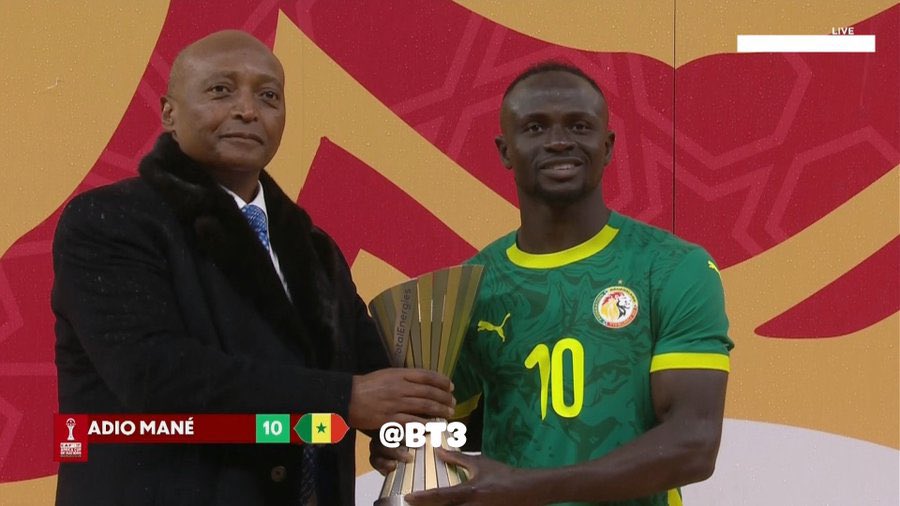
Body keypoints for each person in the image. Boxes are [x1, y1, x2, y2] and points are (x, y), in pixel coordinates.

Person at [52, 30, 454, 506]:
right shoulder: (110, 220)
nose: (247, 110)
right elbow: (154, 374)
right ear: (169, 113)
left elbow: (370, 374)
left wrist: (402, 429)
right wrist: (344, 399)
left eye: (268, 96)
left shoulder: (315, 249)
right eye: (221, 90)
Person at [372, 62, 733, 506]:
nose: (559, 141)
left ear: (608, 146)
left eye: (579, 126)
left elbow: (693, 444)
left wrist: (526, 488)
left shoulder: (673, 267)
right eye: (535, 127)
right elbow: (449, 427)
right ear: (505, 150)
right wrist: (403, 444)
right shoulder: (472, 288)